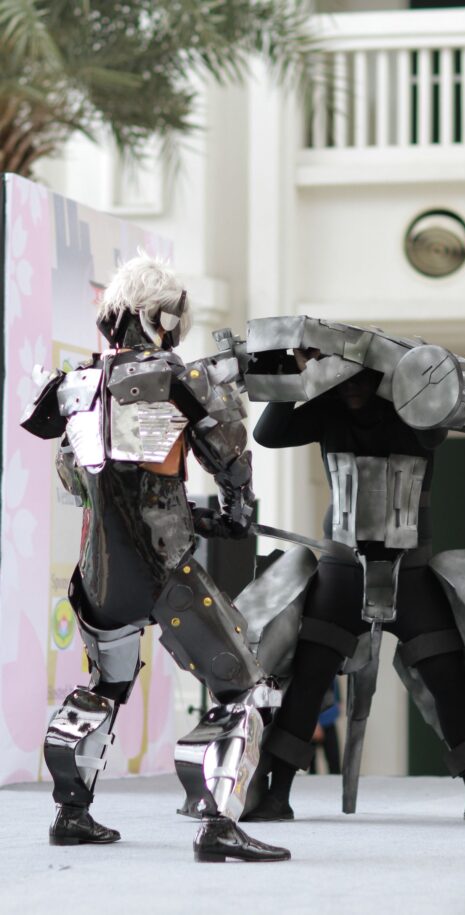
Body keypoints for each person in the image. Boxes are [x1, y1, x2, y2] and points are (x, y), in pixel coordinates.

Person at [20, 253, 290, 863]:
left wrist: (181, 508)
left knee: (106, 686)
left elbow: (79, 480)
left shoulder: (77, 385)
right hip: (164, 568)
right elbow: (228, 460)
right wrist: (236, 511)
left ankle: (71, 812)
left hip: (98, 575)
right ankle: (217, 822)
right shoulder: (176, 377)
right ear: (163, 317)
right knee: (244, 688)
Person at [241, 325, 465, 825]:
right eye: (343, 376)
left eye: (363, 377)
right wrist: (298, 373)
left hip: (409, 573)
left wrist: (424, 371)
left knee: (448, 680)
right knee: (309, 679)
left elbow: (436, 423)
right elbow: (268, 434)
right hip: (342, 572)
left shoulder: (417, 411)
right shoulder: (326, 410)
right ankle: (278, 793)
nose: (351, 386)